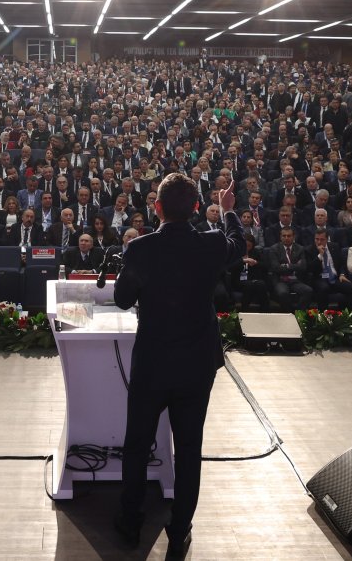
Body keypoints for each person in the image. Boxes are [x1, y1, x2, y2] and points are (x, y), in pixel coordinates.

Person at [113, 174, 244, 559]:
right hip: (195, 366)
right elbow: (238, 244)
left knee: (137, 445)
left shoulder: (139, 249)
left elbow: (122, 300)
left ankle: (130, 522)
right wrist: (230, 213)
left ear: (157, 208)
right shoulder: (212, 243)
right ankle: (179, 529)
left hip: (153, 364)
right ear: (197, 209)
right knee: (189, 449)